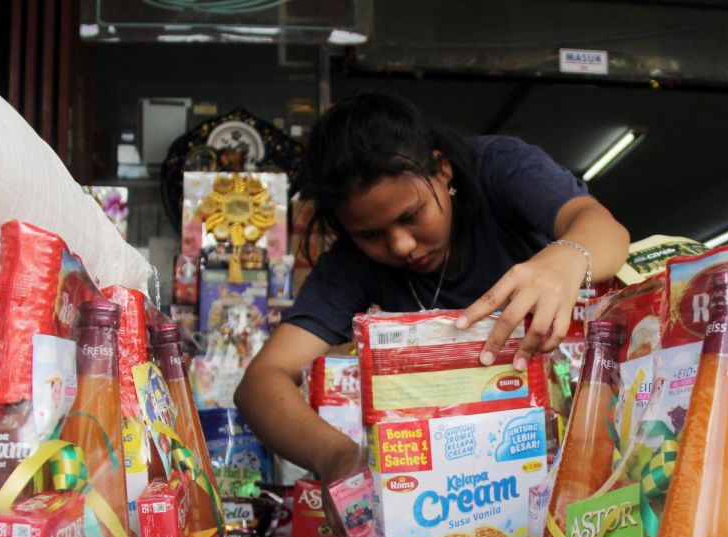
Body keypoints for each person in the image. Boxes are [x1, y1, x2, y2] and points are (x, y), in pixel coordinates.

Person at [235, 91, 630, 495]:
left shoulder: (501, 167)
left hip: (580, 436)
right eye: (369, 235)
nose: (401, 245)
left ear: (442, 169)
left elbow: (604, 229)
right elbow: (260, 383)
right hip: (462, 473)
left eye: (411, 215)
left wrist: (566, 258)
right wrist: (337, 458)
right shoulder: (351, 263)